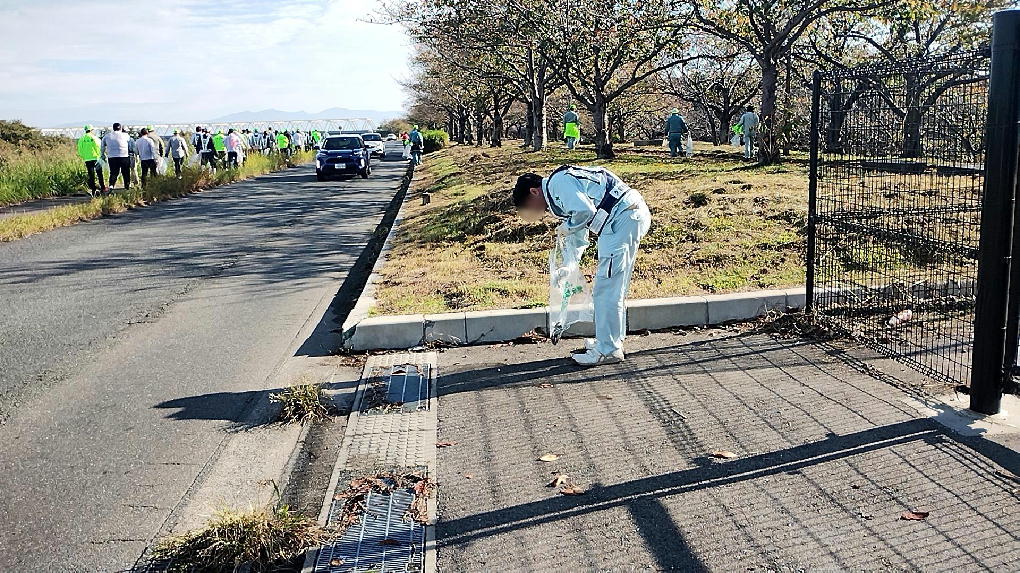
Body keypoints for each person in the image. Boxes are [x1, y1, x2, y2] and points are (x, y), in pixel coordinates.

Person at [512, 165, 651, 366]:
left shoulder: (557, 184)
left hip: (621, 220)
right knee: (612, 288)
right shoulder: (558, 189)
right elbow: (579, 229)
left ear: (534, 191)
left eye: (528, 205)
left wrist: (565, 228)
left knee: (607, 289)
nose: (532, 212)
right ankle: (610, 342)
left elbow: (584, 212)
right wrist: (569, 265)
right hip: (624, 218)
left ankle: (609, 349)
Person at [76, 125, 107, 194]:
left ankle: (93, 189)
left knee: (91, 175)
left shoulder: (81, 139)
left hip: (87, 159)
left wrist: (84, 156)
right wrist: (101, 155)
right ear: (92, 130)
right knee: (99, 174)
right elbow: (99, 147)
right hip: (96, 158)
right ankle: (103, 188)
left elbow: (80, 150)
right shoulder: (95, 138)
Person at [101, 122, 132, 190]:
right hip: (124, 156)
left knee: (114, 172)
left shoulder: (107, 136)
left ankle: (111, 185)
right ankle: (127, 186)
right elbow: (130, 146)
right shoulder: (126, 135)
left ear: (113, 128)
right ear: (120, 128)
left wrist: (102, 154)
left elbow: (102, 146)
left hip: (112, 157)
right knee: (126, 172)